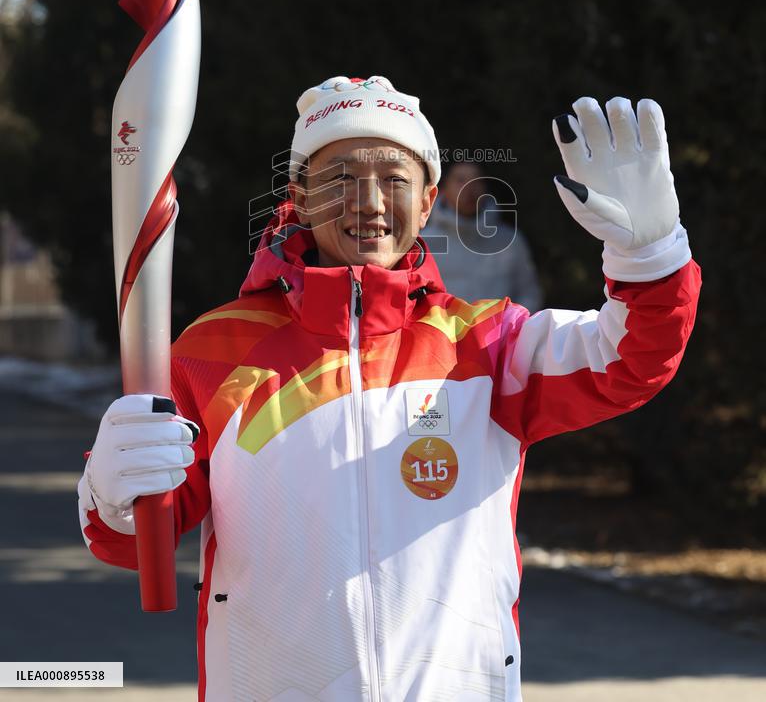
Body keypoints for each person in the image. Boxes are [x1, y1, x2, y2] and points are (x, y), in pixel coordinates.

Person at [77, 75, 701, 702]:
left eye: (395, 179)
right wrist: (112, 492)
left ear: (427, 202)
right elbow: (133, 543)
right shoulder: (212, 353)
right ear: (299, 197)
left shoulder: (488, 346)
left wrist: (650, 258)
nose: (368, 201)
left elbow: (629, 360)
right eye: (340, 178)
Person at [422, 160, 543, 311]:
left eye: (476, 181)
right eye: (460, 180)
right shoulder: (424, 243)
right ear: (442, 190)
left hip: (502, 326)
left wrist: (512, 323)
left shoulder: (509, 240)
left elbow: (529, 293)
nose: (469, 188)